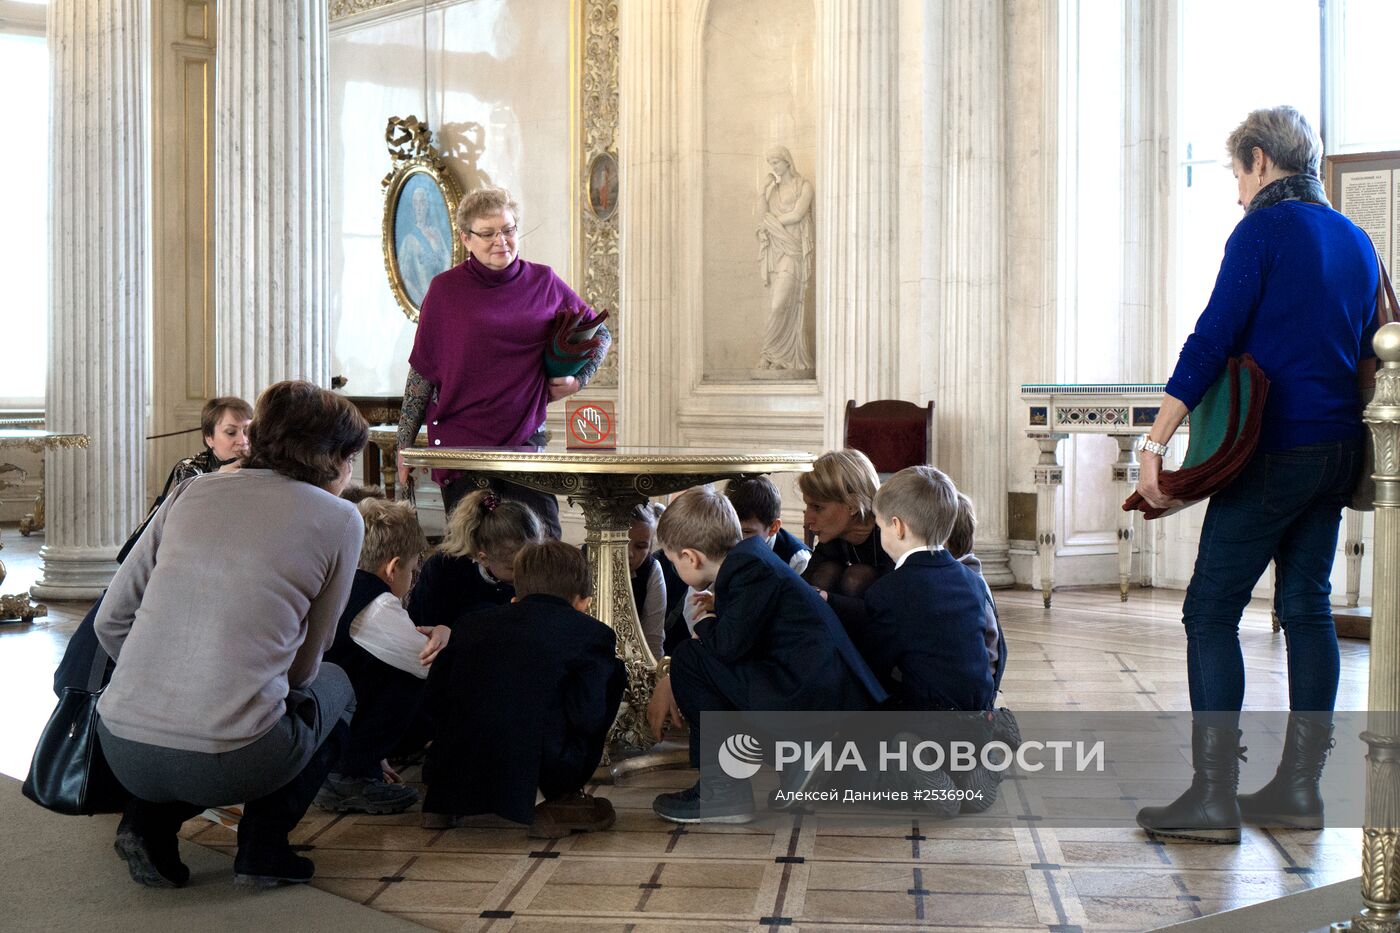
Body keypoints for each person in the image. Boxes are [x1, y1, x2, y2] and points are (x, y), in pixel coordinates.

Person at [1133, 106, 1378, 844]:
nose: (1236, 192)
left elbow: (1212, 338)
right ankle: (1300, 790)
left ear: (1262, 160)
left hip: (1272, 450)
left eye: (1236, 173)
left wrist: (1157, 441)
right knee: (1306, 604)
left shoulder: (1263, 230)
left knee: (1209, 609)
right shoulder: (1358, 239)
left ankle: (1214, 797)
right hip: (1339, 450)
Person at [94, 380, 367, 888]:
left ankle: (146, 823)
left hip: (120, 745)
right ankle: (264, 849)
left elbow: (111, 620)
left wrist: (162, 682)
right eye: (351, 459)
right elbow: (306, 667)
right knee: (337, 686)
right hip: (233, 759)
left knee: (212, 707)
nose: (350, 474)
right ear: (330, 457)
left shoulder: (191, 491)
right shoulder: (340, 518)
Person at [646, 488, 887, 825]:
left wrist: (705, 622)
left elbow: (727, 647)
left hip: (813, 698)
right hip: (817, 692)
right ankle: (796, 764)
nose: (675, 567)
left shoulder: (747, 570)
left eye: (673, 561)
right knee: (708, 663)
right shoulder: (751, 558)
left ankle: (723, 790)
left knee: (690, 657)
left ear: (691, 557)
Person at [395, 185, 612, 538]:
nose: (502, 241)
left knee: (542, 553)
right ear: (466, 238)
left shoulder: (543, 281)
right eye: (488, 233)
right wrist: (404, 446)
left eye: (509, 230)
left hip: (524, 443)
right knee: (472, 560)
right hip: (461, 450)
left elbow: (601, 333)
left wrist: (578, 380)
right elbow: (422, 373)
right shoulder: (444, 291)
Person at [422, 540, 625, 836]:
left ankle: (443, 802)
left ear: (517, 590)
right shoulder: (591, 634)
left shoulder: (470, 623)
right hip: (539, 766)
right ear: (584, 601)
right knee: (613, 671)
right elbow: (588, 714)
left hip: (454, 760)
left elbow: (434, 698)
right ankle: (555, 801)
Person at [55, 396, 254, 696]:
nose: (242, 440)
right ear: (209, 438)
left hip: (221, 574)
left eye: (248, 431)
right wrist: (222, 478)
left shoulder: (256, 472)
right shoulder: (191, 470)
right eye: (231, 432)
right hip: (172, 566)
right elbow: (178, 532)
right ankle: (93, 688)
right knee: (115, 611)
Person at [316, 498, 448, 815]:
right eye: (413, 570)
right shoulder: (375, 605)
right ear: (392, 567)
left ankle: (351, 765)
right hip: (329, 725)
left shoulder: (337, 579)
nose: (413, 580)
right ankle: (350, 775)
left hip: (313, 708)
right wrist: (445, 633)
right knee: (410, 678)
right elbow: (431, 663)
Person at [406, 488, 542, 631]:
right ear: (483, 558)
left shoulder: (542, 566)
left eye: (531, 562)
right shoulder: (443, 570)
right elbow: (425, 631)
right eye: (514, 568)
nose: (526, 573)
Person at [799, 449, 893, 628]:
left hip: (885, 631)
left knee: (856, 578)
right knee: (826, 572)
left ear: (852, 505)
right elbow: (805, 582)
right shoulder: (834, 536)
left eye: (817, 507)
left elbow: (887, 608)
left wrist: (827, 598)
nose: (807, 518)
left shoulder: (890, 535)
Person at [755, 145, 815, 373]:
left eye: (776, 162)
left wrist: (773, 223)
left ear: (787, 161)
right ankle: (774, 355)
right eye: (771, 164)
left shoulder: (804, 186)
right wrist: (762, 191)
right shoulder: (774, 191)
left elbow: (798, 214)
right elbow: (762, 219)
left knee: (780, 303)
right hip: (778, 251)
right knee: (778, 304)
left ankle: (776, 353)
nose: (774, 167)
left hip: (793, 252)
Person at [725, 475, 811, 574]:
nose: (737, 539)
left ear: (773, 528)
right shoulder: (723, 543)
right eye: (731, 529)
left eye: (746, 531)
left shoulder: (797, 560)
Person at [627, 502, 667, 660]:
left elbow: (653, 638)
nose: (630, 554)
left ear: (650, 547)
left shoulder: (651, 569)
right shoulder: (584, 560)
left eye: (640, 546)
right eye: (622, 542)